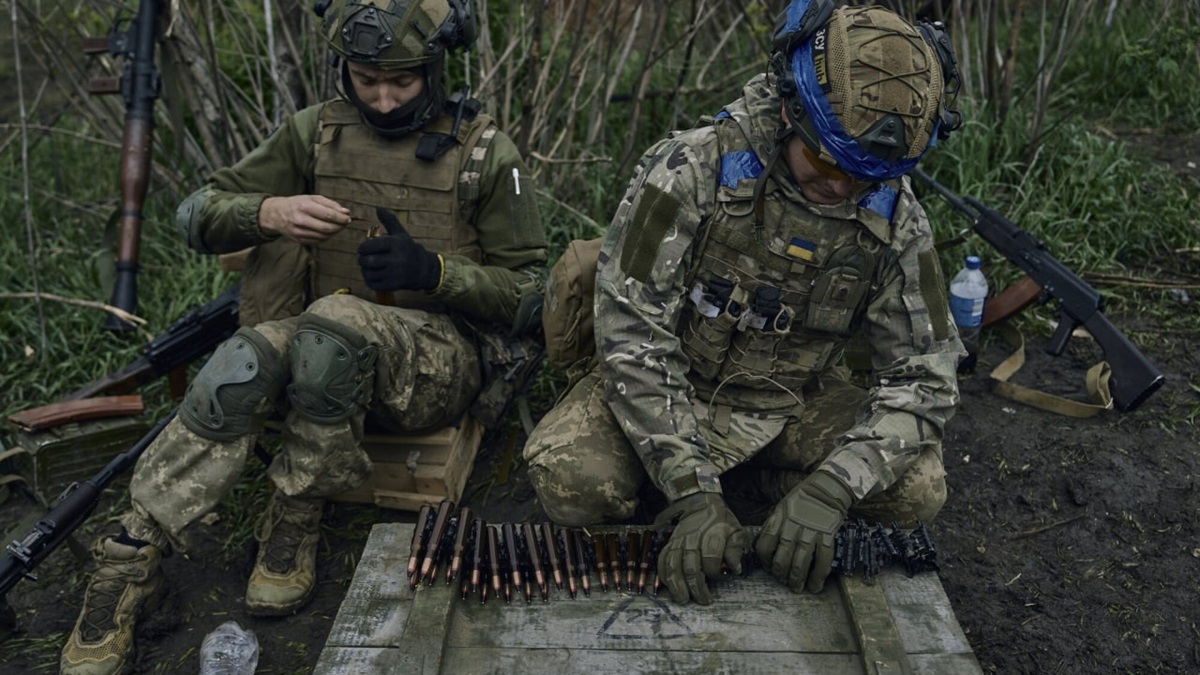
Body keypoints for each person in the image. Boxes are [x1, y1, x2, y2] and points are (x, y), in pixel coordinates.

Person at [60, 1, 546, 672]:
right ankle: (129, 556)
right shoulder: (315, 132)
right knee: (242, 356)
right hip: (326, 344)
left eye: (400, 81)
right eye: (364, 78)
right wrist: (268, 210)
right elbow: (195, 213)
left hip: (438, 364)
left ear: (433, 68)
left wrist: (436, 273)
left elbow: (533, 294)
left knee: (334, 325)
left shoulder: (486, 153)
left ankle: (295, 515)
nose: (380, 98)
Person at [523, 0, 964, 606]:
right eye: (825, 163)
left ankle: (776, 487)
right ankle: (721, 493)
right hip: (675, 385)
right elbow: (631, 332)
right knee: (572, 482)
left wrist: (834, 487)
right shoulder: (690, 166)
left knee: (919, 488)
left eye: (864, 178)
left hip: (792, 402)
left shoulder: (898, 220)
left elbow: (927, 376)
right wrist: (690, 488)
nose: (840, 188)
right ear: (790, 111)